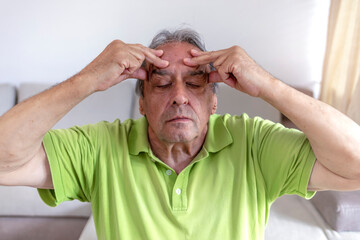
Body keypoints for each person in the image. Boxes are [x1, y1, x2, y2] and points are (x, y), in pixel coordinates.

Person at [0, 28, 359, 239]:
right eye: (161, 83)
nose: (180, 97)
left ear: (215, 102)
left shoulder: (254, 143)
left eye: (195, 82)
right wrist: (87, 79)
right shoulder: (100, 146)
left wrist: (266, 84)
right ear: (141, 103)